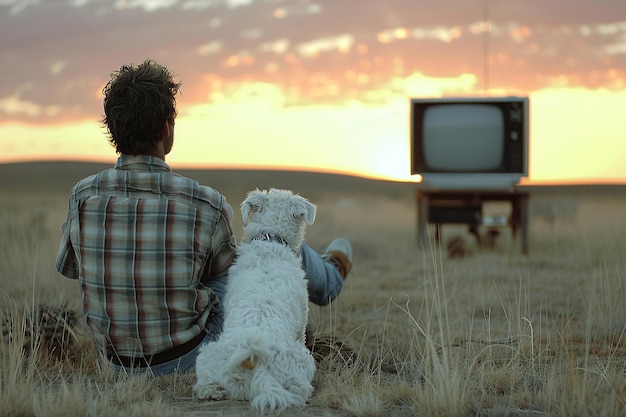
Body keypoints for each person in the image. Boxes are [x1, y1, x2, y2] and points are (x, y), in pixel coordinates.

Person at [55, 59, 353, 376]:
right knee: (267, 245)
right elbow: (230, 274)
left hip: (114, 361)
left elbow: (71, 269)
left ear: (113, 130)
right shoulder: (204, 202)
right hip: (189, 356)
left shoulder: (82, 195)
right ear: (166, 128)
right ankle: (330, 279)